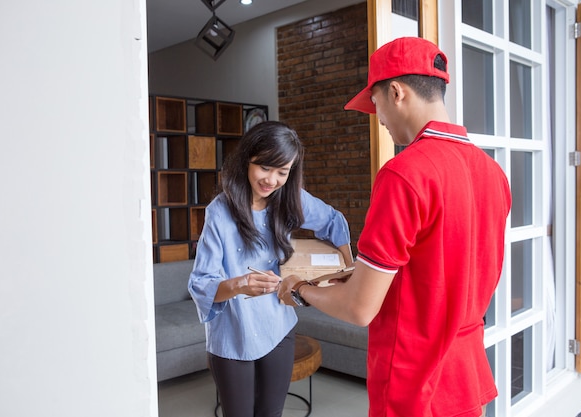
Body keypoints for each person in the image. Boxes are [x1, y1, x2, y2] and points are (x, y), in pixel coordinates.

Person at [278, 37, 511, 417]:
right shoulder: (493, 173)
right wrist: (360, 276)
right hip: (465, 374)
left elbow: (359, 309)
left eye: (375, 104)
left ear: (397, 92)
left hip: (414, 382)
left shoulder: (405, 174)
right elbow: (447, 267)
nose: (379, 119)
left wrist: (300, 289)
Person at [188, 120, 353, 417]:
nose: (272, 180)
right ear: (247, 159)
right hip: (232, 333)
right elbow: (202, 282)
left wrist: (347, 267)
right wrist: (240, 284)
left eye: (282, 172)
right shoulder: (219, 212)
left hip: (278, 326)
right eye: (265, 167)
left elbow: (333, 221)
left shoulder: (290, 199)